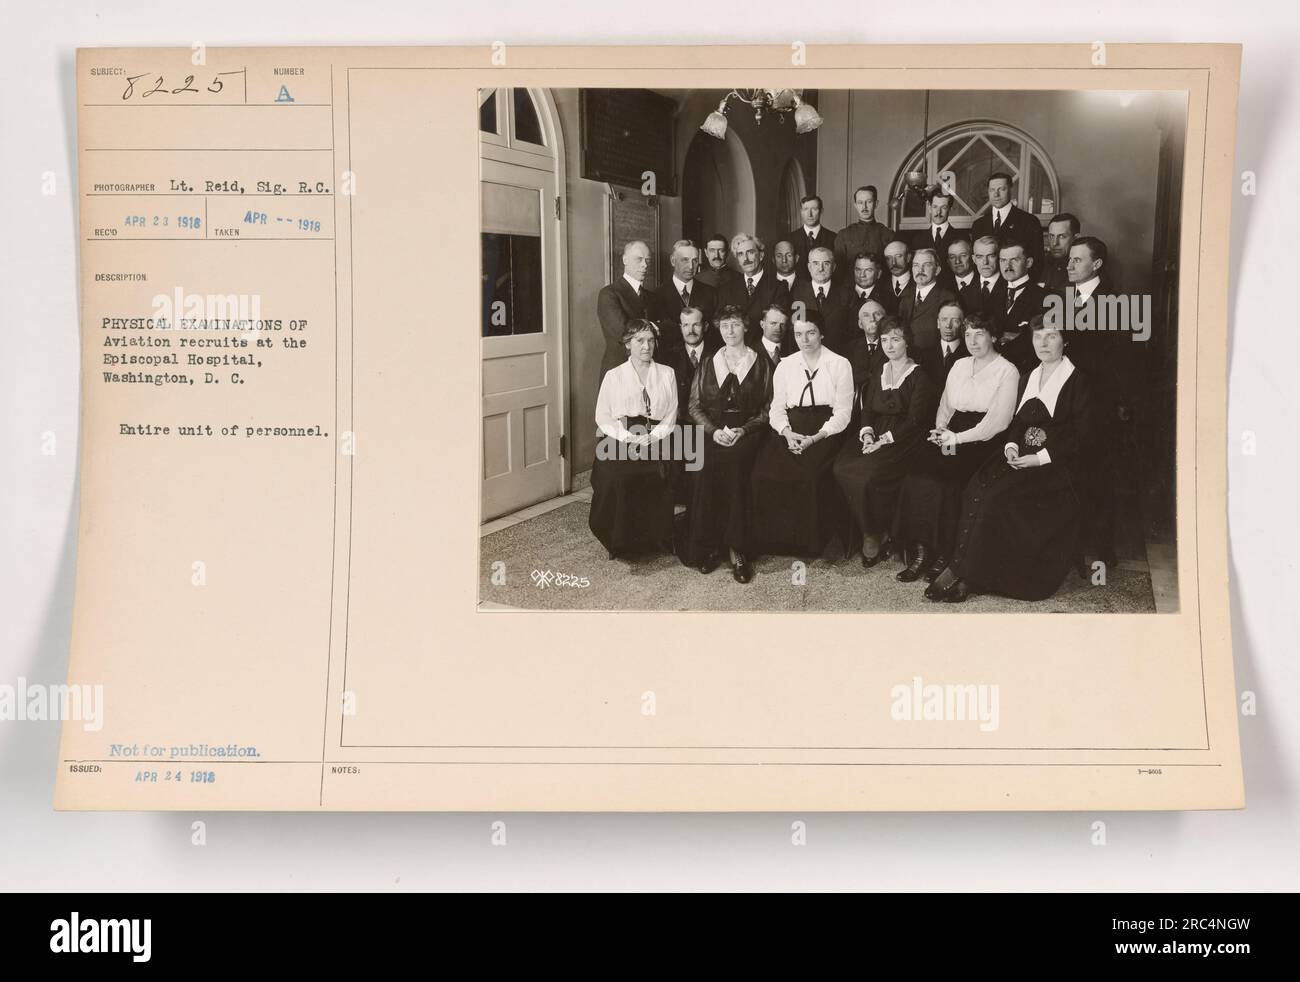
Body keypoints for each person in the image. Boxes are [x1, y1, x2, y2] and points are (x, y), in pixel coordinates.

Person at [926, 320, 1093, 603]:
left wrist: (1039, 458)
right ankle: (964, 570)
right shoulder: (1028, 377)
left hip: (1056, 466)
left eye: (1051, 336)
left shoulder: (1079, 381)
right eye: (1037, 336)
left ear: (1065, 342)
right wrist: (1012, 447)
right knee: (976, 488)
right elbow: (1017, 423)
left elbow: (1082, 436)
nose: (1043, 343)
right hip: (1020, 458)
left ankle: (967, 574)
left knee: (995, 499)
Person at [893, 311, 1019, 584]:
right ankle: (922, 551)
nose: (973, 340)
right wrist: (941, 431)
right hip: (953, 432)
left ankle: (945, 554)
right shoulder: (960, 365)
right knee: (917, 474)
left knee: (948, 482)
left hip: (982, 441)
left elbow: (996, 423)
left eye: (980, 334)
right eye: (969, 334)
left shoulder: (1007, 370)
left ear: (994, 336)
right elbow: (946, 404)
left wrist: (957, 439)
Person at [750, 310, 854, 556]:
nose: (804, 340)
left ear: (822, 333)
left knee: (809, 475)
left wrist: (814, 438)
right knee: (762, 473)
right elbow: (777, 408)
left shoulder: (839, 364)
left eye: (810, 333)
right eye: (798, 334)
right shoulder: (786, 365)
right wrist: (787, 433)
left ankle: (807, 544)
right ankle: (774, 542)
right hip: (791, 427)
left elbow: (843, 413)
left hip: (825, 430)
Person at [833, 316, 934, 567]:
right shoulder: (880, 370)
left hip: (904, 438)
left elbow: (915, 420)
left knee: (868, 475)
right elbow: (867, 409)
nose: (889, 345)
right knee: (841, 467)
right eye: (885, 340)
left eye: (896, 339)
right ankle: (867, 526)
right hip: (875, 431)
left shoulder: (919, 376)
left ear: (907, 342)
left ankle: (873, 532)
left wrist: (883, 441)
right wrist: (867, 432)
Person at [686, 306, 775, 583]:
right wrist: (713, 432)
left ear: (746, 327)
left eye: (735, 325)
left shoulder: (760, 363)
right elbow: (694, 405)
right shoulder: (709, 361)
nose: (730, 331)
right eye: (725, 327)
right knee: (706, 467)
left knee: (736, 466)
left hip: (749, 431)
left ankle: (738, 549)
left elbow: (768, 407)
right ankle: (711, 546)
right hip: (714, 431)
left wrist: (744, 430)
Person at [589, 319, 679, 559]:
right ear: (628, 344)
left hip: (657, 437)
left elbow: (671, 414)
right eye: (639, 341)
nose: (646, 346)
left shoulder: (667, 373)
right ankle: (619, 540)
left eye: (650, 340)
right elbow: (603, 415)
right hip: (621, 437)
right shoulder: (614, 376)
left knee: (660, 473)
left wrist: (654, 436)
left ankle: (655, 536)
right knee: (618, 477)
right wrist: (627, 437)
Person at [596, 240, 659, 378]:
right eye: (639, 259)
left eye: (647, 260)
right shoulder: (609, 293)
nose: (645, 265)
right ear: (625, 260)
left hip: (648, 369)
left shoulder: (651, 297)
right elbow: (623, 332)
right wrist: (655, 327)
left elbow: (667, 325)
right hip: (619, 369)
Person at [970, 171, 1044, 271]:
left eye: (1001, 189)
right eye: (992, 190)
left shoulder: (1029, 221)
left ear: (1010, 190)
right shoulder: (979, 225)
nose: (996, 194)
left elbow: (1037, 261)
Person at [791, 246, 855, 354]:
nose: (820, 268)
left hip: (838, 357)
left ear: (834, 267)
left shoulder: (847, 294)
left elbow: (853, 333)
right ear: (809, 267)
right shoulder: (797, 293)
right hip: (806, 356)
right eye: (816, 263)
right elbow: (794, 329)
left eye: (826, 263)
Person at [994, 242, 1045, 372]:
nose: (1007, 266)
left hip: (1026, 371)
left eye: (1014, 260)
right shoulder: (994, 294)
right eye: (1003, 260)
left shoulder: (1044, 297)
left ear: (1028, 262)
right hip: (995, 370)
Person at [655, 240, 716, 348]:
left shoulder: (710, 293)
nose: (691, 267)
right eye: (685, 260)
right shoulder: (657, 295)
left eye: (695, 261)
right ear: (673, 261)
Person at [896, 247, 957, 354]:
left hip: (932, 359)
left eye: (927, 265)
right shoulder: (905, 297)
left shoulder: (947, 298)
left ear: (937, 270)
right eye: (916, 265)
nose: (920, 270)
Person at [718, 232, 783, 330]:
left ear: (761, 255)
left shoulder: (778, 288)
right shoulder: (726, 289)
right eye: (740, 254)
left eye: (750, 252)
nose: (745, 258)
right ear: (738, 259)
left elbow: (778, 327)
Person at [834, 185, 892, 276]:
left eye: (869, 202)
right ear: (855, 205)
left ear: (876, 204)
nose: (864, 207)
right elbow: (839, 271)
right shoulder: (844, 235)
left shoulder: (887, 234)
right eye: (860, 202)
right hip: (850, 288)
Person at [787, 194, 838, 277]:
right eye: (805, 209)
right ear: (801, 211)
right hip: (797, 288)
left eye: (814, 209)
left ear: (821, 211)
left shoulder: (833, 238)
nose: (809, 214)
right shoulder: (790, 239)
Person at [847, 299, 888, 390]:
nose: (872, 319)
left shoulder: (893, 347)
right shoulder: (849, 349)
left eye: (877, 314)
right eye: (866, 315)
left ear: (885, 320)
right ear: (860, 324)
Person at [1040, 213, 1080, 292]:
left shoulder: (1084, 268)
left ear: (1076, 238)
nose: (1055, 243)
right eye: (1051, 236)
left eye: (1062, 236)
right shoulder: (1040, 264)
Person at [754, 302, 794, 367]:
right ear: (762, 324)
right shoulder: (749, 352)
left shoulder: (793, 352)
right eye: (773, 323)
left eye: (782, 324)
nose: (778, 329)